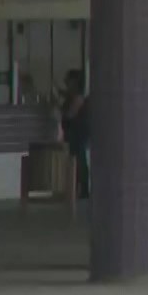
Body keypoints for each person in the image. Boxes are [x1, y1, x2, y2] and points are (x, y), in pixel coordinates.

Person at [58, 70, 90, 200]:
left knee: (78, 161)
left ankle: (82, 190)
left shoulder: (78, 97)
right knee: (75, 160)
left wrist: (58, 111)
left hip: (78, 133)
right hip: (73, 133)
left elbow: (71, 114)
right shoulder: (72, 96)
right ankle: (76, 188)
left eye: (69, 81)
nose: (66, 83)